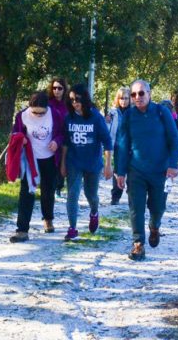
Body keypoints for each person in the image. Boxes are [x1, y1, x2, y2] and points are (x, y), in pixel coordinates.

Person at [115, 79, 178, 260]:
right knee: (136, 207)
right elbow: (121, 144)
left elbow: (174, 140)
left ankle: (155, 226)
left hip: (160, 171)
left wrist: (173, 165)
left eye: (141, 93)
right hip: (136, 170)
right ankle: (138, 244)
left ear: (149, 94)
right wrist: (120, 171)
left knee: (157, 207)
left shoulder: (162, 112)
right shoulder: (128, 116)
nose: (137, 97)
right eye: (134, 94)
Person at [8, 92, 65, 243]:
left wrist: (56, 142)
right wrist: (22, 139)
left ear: (47, 108)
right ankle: (22, 230)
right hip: (30, 159)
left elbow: (62, 133)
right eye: (34, 113)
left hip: (49, 158)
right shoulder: (22, 116)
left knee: (48, 191)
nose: (37, 116)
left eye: (41, 113)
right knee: (26, 192)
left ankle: (48, 219)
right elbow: (16, 133)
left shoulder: (55, 114)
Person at [61, 84, 112, 240]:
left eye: (77, 99)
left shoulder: (96, 118)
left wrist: (108, 164)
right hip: (74, 162)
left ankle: (94, 212)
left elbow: (107, 141)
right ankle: (72, 228)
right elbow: (65, 142)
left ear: (84, 99)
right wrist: (63, 163)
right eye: (71, 100)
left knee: (91, 195)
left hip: (92, 163)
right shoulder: (68, 118)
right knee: (72, 194)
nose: (75, 103)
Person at [106, 88, 130, 205]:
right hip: (117, 145)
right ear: (117, 99)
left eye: (126, 98)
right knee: (118, 171)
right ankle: (115, 196)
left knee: (132, 171)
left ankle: (133, 195)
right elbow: (108, 128)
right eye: (121, 98)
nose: (124, 101)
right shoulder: (113, 112)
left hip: (131, 146)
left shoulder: (134, 111)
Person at [48, 78, 70, 196]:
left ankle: (59, 187)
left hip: (63, 137)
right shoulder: (48, 103)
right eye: (54, 88)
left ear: (64, 89)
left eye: (59, 88)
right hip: (49, 137)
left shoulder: (68, 104)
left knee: (62, 162)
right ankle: (49, 186)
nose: (57, 91)